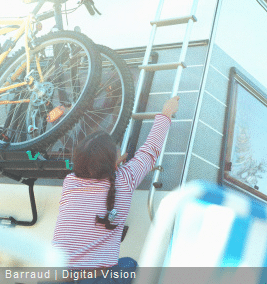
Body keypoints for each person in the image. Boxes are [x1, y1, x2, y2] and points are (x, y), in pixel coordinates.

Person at [52, 96, 180, 283]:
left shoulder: (70, 182)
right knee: (129, 264)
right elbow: (150, 150)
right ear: (113, 163)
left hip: (57, 278)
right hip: (95, 280)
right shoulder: (124, 180)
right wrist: (166, 112)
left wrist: (112, 165)